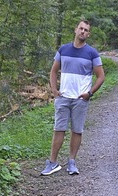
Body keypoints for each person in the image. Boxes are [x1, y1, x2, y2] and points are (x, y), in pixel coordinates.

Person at [41, 20, 105, 176]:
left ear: (88, 34)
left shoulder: (92, 53)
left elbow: (101, 76)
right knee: (59, 129)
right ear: (75, 30)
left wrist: (89, 93)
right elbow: (53, 71)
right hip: (63, 98)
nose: (83, 32)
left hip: (80, 99)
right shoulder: (63, 50)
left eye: (86, 30)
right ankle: (53, 162)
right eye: (81, 28)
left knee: (77, 130)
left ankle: (72, 162)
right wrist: (54, 90)